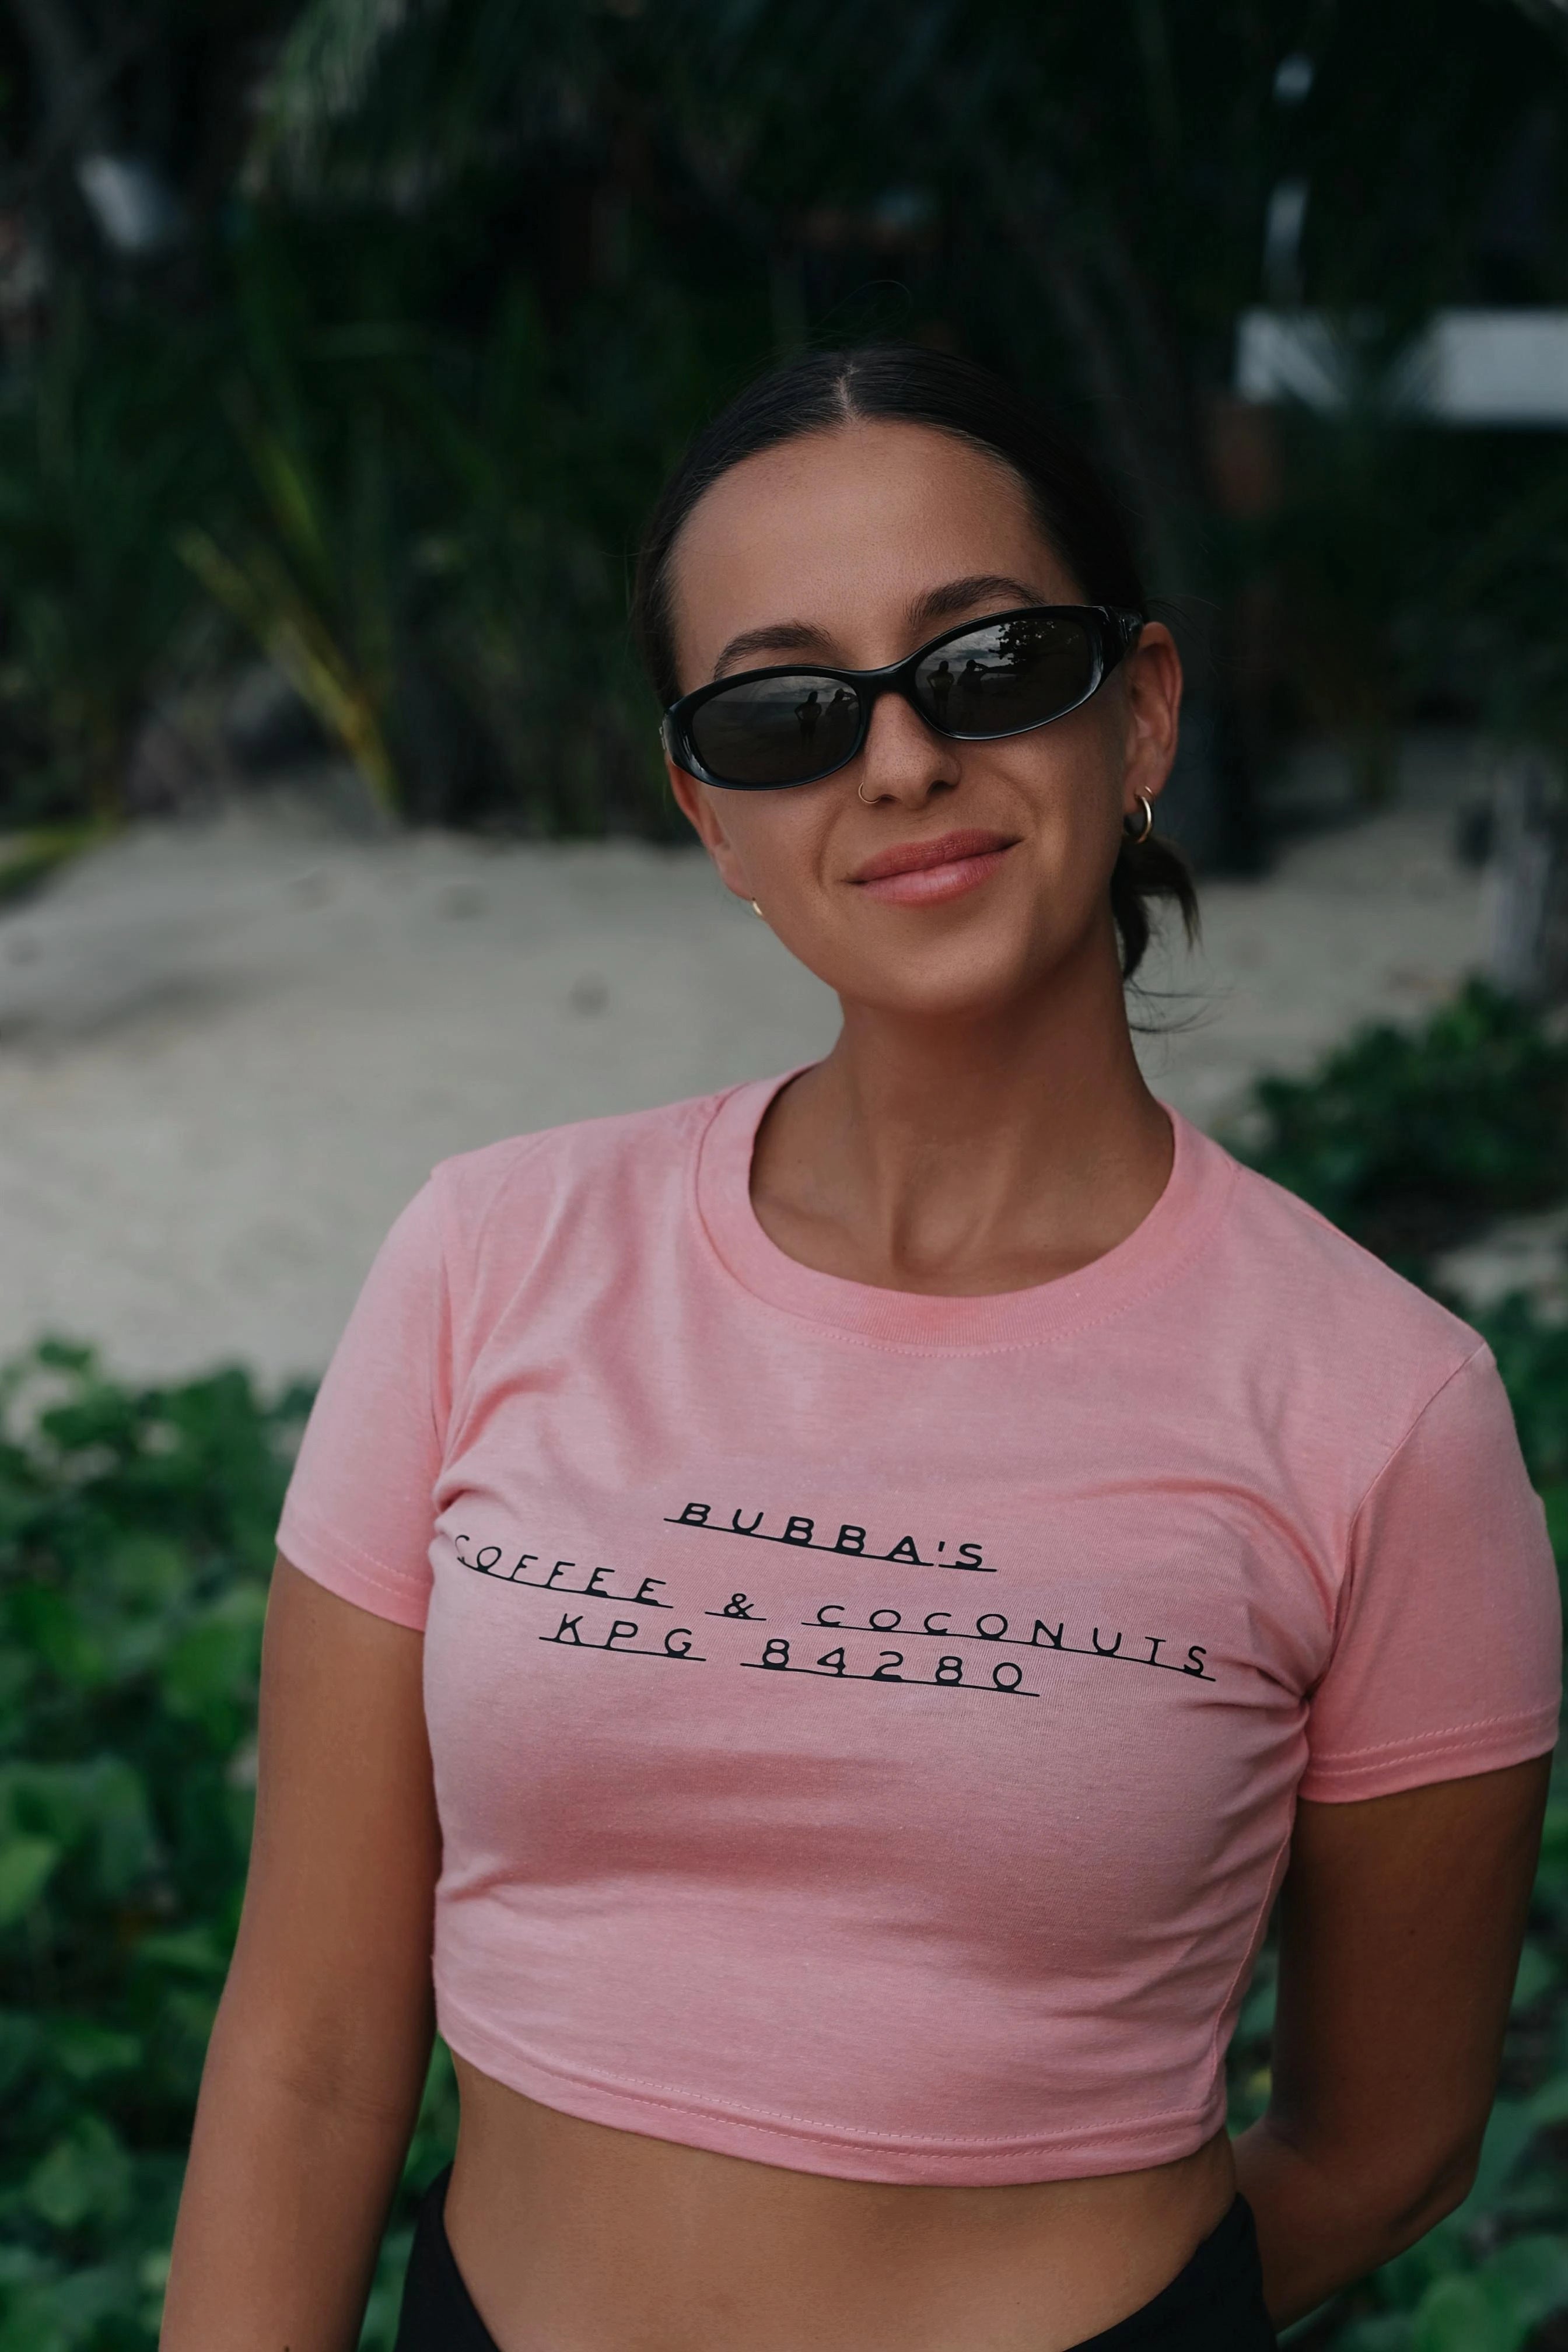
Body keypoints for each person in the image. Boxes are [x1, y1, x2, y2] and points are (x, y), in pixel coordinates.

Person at [160, 346, 1560, 2352]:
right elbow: (303, 2045)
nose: (901, 761)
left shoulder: (1387, 1406)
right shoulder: (491, 1256)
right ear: (713, 812)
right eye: (789, 712)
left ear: (1140, 708)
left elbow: (1392, 2140)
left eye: (987, 667)